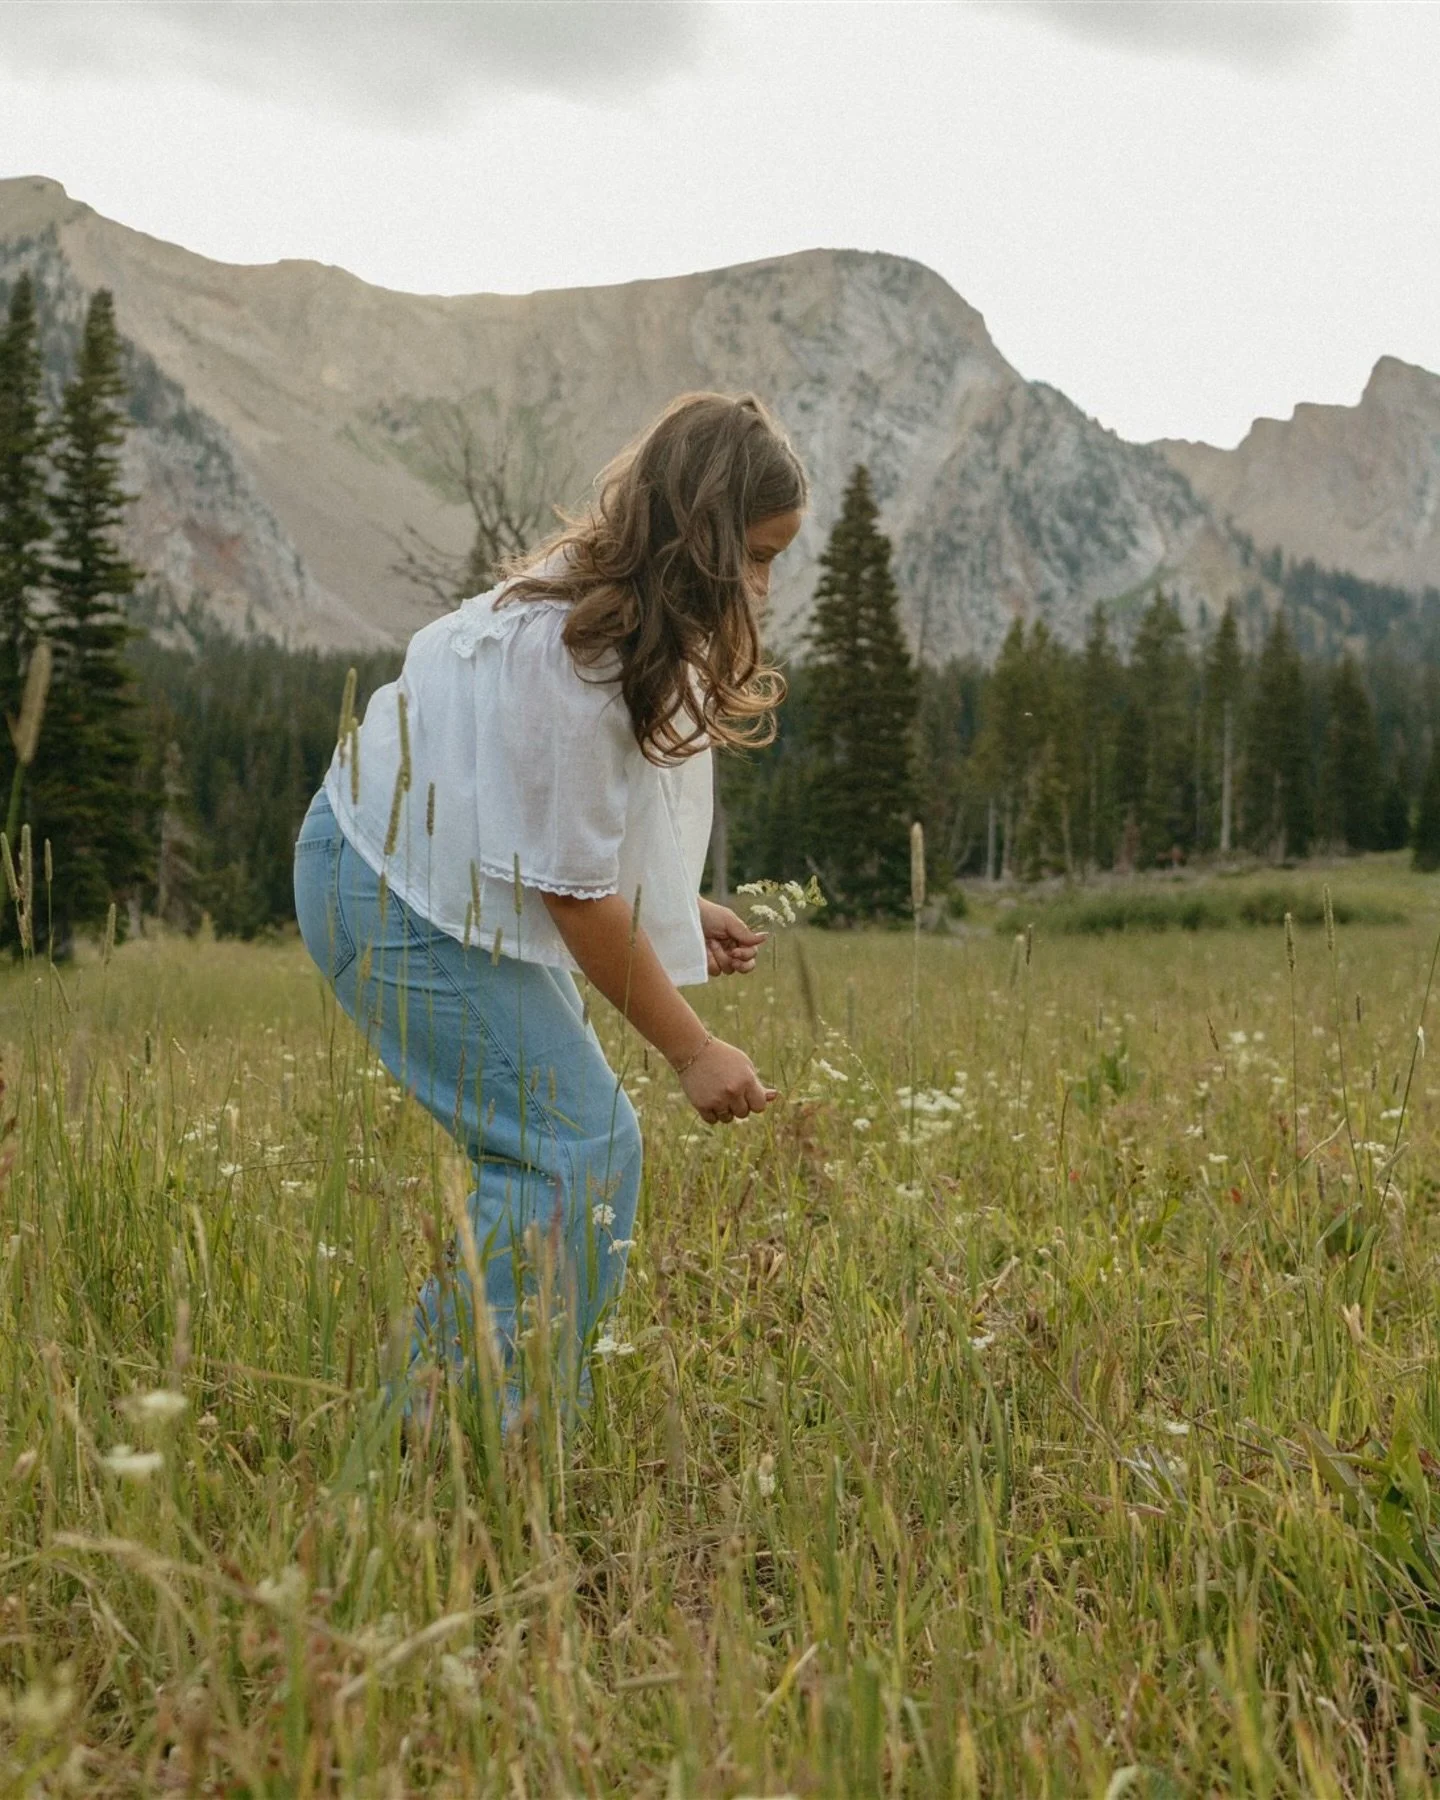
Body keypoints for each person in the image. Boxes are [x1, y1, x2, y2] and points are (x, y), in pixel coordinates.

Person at [292, 391, 807, 1430]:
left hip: (433, 878)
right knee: (576, 1148)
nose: (761, 587)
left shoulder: (611, 610)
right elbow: (570, 892)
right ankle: (462, 1431)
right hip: (390, 894)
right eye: (753, 557)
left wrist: (675, 905)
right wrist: (694, 1051)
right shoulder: (574, 656)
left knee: (566, 1147)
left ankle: (471, 1420)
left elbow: (544, 815)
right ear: (699, 541)